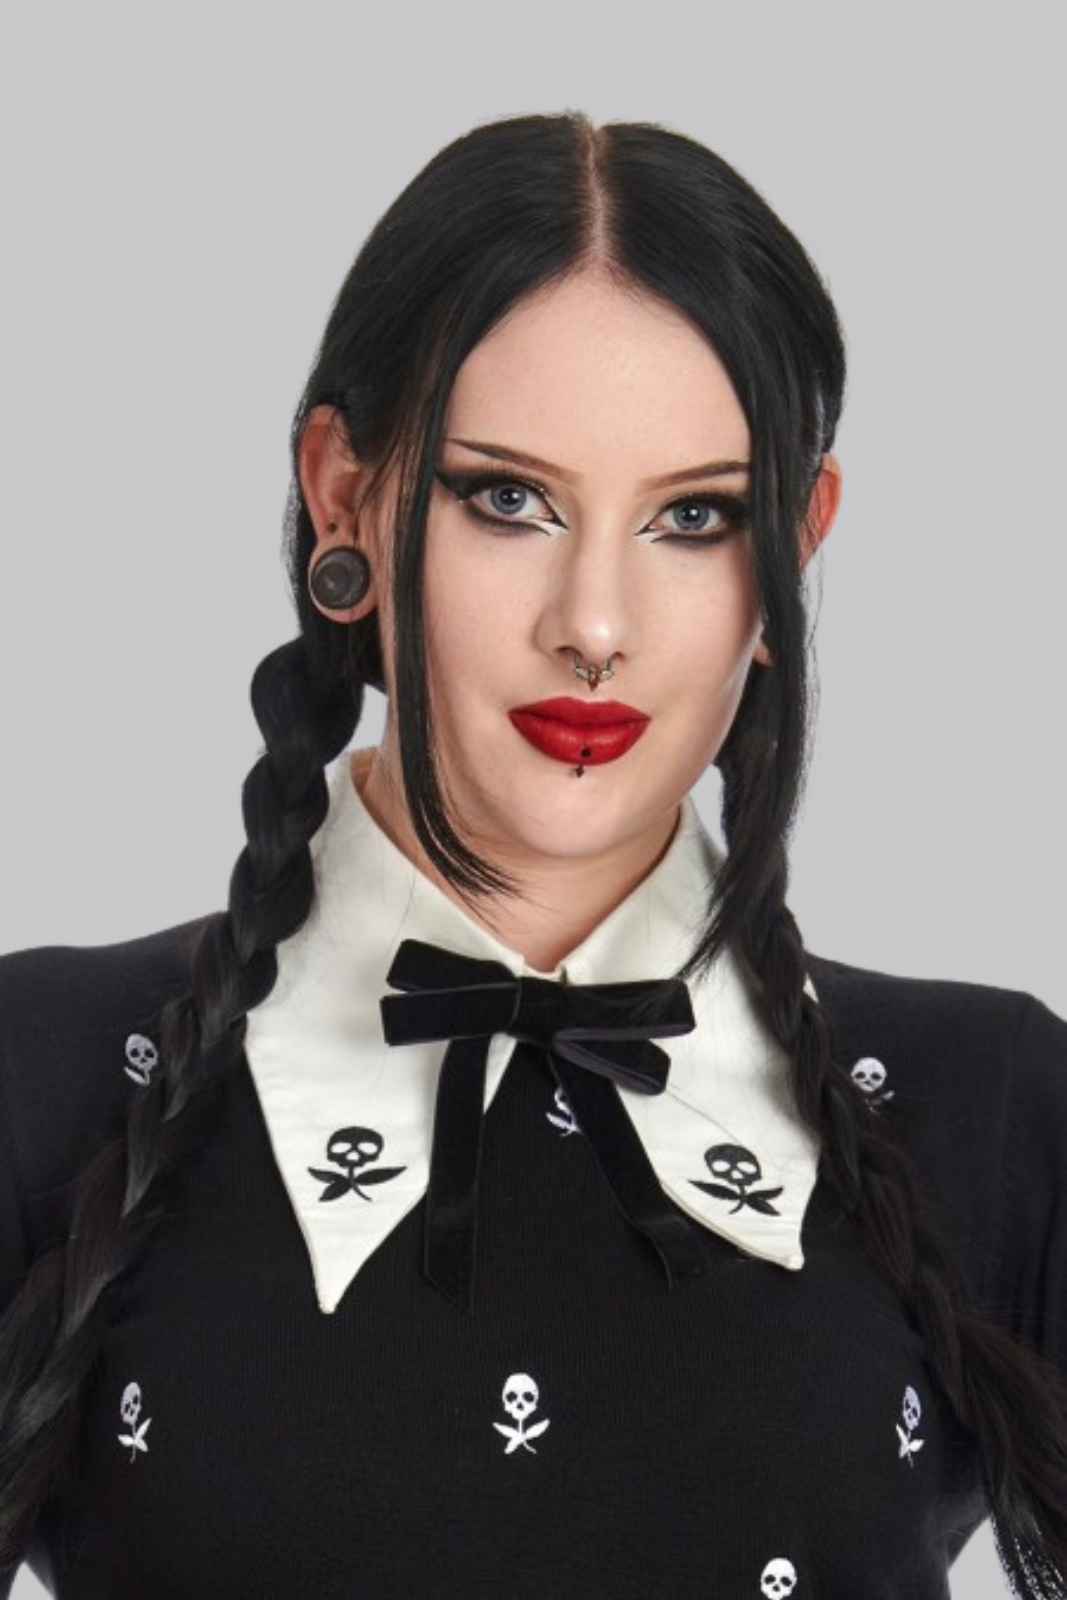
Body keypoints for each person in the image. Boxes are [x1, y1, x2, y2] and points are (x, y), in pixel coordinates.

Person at [0, 109, 1064, 1599]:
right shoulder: (41, 1079)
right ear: (342, 492)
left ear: (793, 544)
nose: (594, 624)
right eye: (508, 498)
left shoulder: (993, 1110)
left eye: (693, 517)